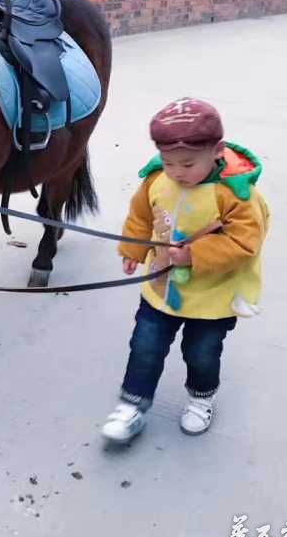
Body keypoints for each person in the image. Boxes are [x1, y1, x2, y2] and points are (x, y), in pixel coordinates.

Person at [102, 98, 269, 444]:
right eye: (168, 162)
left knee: (201, 351)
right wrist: (133, 249)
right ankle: (132, 405)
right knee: (145, 344)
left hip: (212, 296)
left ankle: (200, 398)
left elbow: (244, 242)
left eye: (188, 163)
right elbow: (141, 216)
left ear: (217, 151)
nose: (177, 172)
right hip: (161, 287)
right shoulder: (156, 180)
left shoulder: (235, 194)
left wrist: (193, 255)